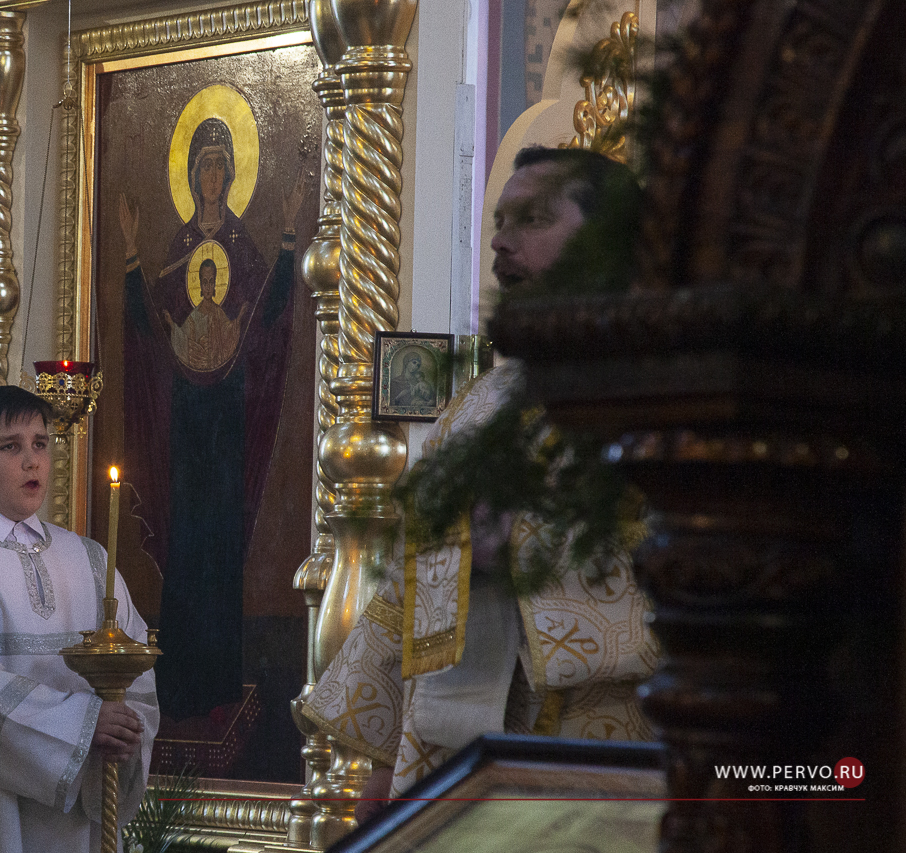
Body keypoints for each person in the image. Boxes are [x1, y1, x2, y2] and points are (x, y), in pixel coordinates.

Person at [303, 147, 657, 819]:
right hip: (452, 758)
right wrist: (382, 763)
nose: (500, 241)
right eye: (499, 221)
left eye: (533, 219)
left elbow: (695, 564)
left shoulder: (661, 394)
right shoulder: (475, 407)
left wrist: (523, 545)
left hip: (599, 747)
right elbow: (402, 591)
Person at [0, 385, 159, 853]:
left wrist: (122, 731)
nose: (33, 462)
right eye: (10, 447)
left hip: (81, 812)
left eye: (40, 444)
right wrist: (82, 725)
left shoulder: (90, 559)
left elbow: (136, 664)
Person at [118, 112, 305, 720]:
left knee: (219, 539)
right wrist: (129, 253)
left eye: (222, 167)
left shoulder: (241, 246)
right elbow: (151, 326)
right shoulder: (178, 249)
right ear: (193, 176)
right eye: (205, 167)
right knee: (185, 537)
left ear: (230, 176)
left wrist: (287, 234)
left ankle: (220, 676)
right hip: (186, 418)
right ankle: (177, 679)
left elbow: (269, 311)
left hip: (226, 417)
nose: (214, 177)